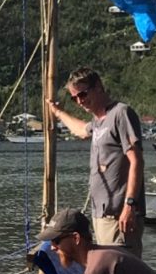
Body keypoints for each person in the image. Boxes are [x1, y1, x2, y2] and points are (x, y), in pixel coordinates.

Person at [47, 67, 145, 257]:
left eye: (82, 94)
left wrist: (129, 206)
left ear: (98, 87)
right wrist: (58, 112)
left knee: (120, 273)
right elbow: (82, 130)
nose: (80, 101)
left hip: (119, 216)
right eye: (74, 98)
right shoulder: (98, 121)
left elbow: (137, 161)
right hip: (101, 215)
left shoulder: (120, 113)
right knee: (106, 272)